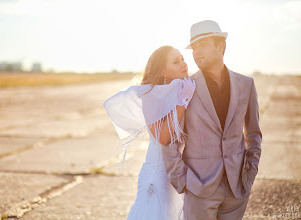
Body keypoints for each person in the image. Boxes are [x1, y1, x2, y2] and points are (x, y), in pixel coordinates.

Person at [161, 20, 262, 220]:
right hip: (199, 188)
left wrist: (250, 175)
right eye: (194, 48)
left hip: (237, 189)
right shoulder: (184, 87)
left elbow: (253, 133)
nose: (196, 52)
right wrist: (182, 181)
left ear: (221, 46)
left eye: (203, 45)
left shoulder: (246, 84)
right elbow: (171, 139)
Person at [103, 45, 196, 220]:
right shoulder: (151, 94)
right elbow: (163, 137)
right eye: (176, 62)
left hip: (177, 173)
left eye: (183, 59)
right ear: (162, 71)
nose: (183, 64)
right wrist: (183, 102)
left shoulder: (182, 88)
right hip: (157, 174)